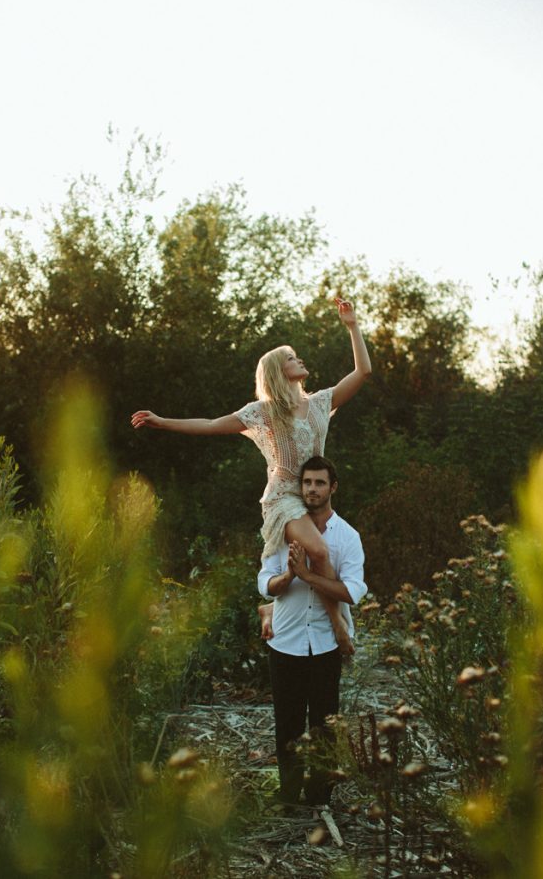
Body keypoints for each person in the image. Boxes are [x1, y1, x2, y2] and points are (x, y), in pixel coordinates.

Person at [131, 297, 371, 653]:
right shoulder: (264, 412)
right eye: (291, 358)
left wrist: (352, 325)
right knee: (319, 552)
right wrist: (162, 421)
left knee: (324, 555)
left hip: (312, 493)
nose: (299, 359)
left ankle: (271, 607)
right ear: (277, 371)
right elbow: (212, 424)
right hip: (283, 498)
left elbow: (363, 372)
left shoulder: (320, 402)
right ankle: (339, 626)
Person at [259, 455, 367, 808]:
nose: (312, 489)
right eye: (307, 483)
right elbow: (265, 582)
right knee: (287, 725)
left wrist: (308, 576)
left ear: (332, 487)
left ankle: (319, 797)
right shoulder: (283, 528)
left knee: (324, 726)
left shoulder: (348, 537)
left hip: (324, 645)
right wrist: (288, 577)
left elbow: (352, 591)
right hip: (286, 642)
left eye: (320, 483)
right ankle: (288, 797)